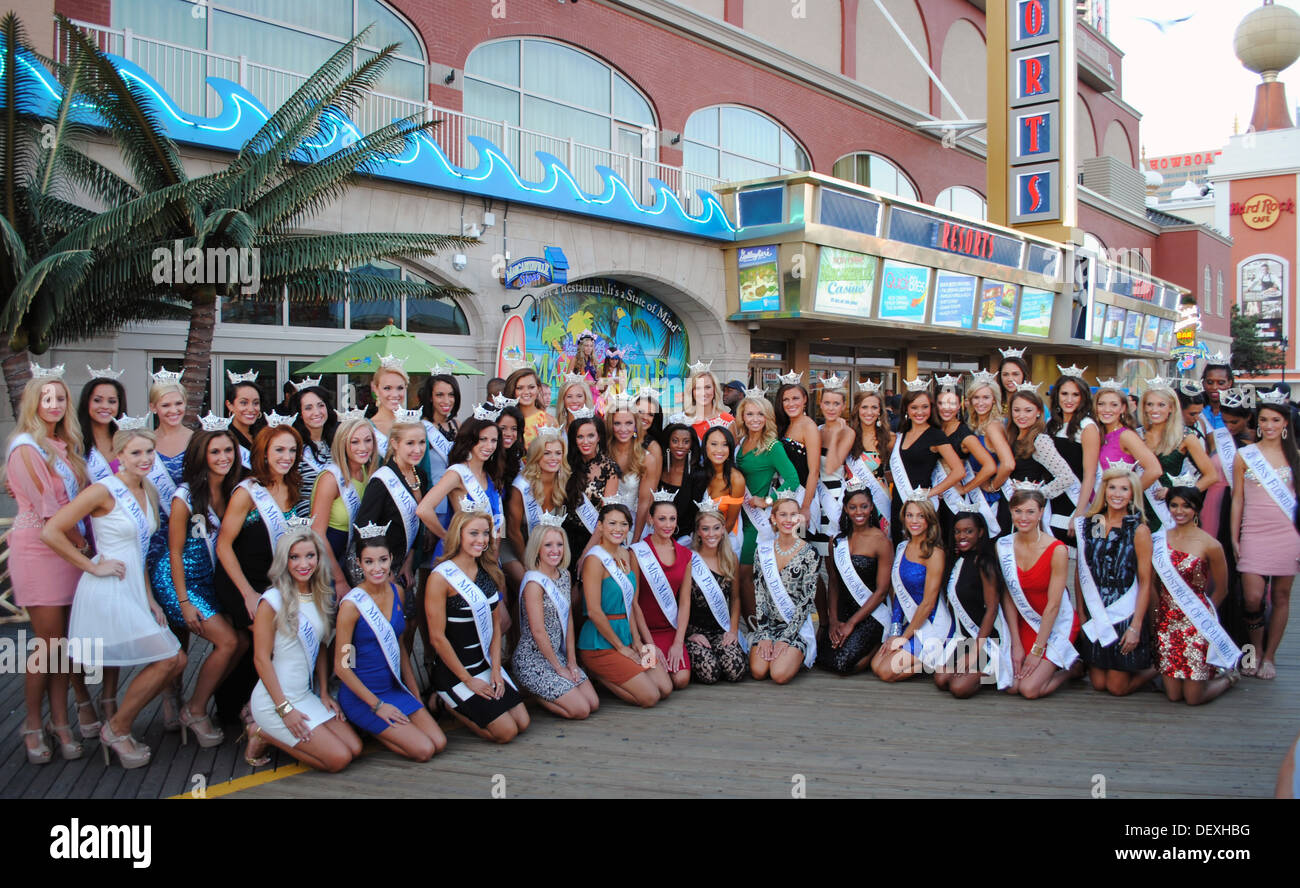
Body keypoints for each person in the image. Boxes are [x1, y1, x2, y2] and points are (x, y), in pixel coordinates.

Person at [44, 429, 185, 769]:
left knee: (176, 661)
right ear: (120, 456)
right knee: (169, 659)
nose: (145, 459)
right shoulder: (103, 490)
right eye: (136, 453)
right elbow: (51, 532)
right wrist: (92, 566)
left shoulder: (148, 489)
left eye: (149, 452)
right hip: (109, 588)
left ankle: (118, 723)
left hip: (135, 587)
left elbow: (139, 550)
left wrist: (151, 599)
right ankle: (117, 729)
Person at [6, 372, 95, 764]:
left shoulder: (63, 445)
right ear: (33, 404)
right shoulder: (26, 447)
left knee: (64, 646)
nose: (54, 405)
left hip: (66, 548)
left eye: (60, 398)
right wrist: (81, 542)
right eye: (46, 399)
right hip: (41, 548)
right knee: (48, 645)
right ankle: (31, 723)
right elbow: (47, 511)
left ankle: (61, 723)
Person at [150, 427, 245, 748]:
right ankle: (195, 710)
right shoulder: (186, 496)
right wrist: (184, 601)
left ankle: (193, 703)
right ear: (202, 456)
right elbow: (174, 552)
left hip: (209, 581)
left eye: (228, 451)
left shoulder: (234, 489)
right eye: (215, 452)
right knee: (229, 641)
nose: (223, 457)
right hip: (178, 581)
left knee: (242, 641)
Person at [213, 422, 302, 735]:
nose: (286, 456)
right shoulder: (247, 491)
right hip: (241, 582)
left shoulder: (293, 486)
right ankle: (245, 707)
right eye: (279, 449)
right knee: (274, 642)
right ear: (263, 453)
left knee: (278, 642)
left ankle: (258, 703)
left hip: (272, 582)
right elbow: (223, 545)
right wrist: (249, 594)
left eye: (292, 450)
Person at [248, 527, 362, 772]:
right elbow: (261, 659)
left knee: (355, 748)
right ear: (284, 560)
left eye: (310, 555)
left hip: (305, 694)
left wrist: (323, 693)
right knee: (338, 759)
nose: (304, 563)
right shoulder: (272, 601)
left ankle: (276, 730)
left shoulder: (319, 595)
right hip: (275, 700)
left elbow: (320, 647)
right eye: (294, 557)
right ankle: (262, 733)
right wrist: (285, 709)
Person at [335, 529, 445, 760]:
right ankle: (372, 727)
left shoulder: (399, 593)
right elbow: (342, 667)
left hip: (393, 689)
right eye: (369, 561)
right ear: (359, 563)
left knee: (439, 742)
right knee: (424, 750)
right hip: (362, 695)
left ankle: (386, 729)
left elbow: (400, 648)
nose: (377, 568)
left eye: (383, 560)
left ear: (391, 559)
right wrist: (377, 706)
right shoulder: (351, 606)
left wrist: (415, 696)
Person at [426, 509, 530, 742]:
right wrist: (467, 680)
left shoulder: (488, 569)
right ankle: (447, 702)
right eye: (474, 533)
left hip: (484, 664)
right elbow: (437, 638)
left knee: (523, 722)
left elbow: (495, 626)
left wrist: (495, 669)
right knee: (506, 732)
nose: (481, 540)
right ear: (458, 534)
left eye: (485, 534)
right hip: (455, 672)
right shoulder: (441, 577)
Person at [1230, 394, 1300, 680]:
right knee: (1253, 597)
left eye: (1275, 420)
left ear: (1285, 423)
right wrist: (1234, 537)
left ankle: (1269, 657)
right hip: (1253, 532)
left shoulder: (1295, 456)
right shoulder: (1245, 454)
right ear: (1257, 423)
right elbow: (1237, 499)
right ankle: (1254, 651)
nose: (1269, 425)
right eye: (1264, 420)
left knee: (1281, 596)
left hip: (1288, 534)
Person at [577, 502, 673, 706]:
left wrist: (637, 641)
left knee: (665, 687)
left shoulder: (626, 554)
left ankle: (624, 671)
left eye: (624, 524)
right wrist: (621, 648)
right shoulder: (594, 559)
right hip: (600, 642)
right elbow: (594, 611)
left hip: (627, 635)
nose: (618, 529)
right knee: (651, 697)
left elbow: (631, 603)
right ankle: (598, 673)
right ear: (600, 526)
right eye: (612, 523)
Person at [1154, 485, 1239, 705]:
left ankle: (1228, 678)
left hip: (1197, 622)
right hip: (1166, 622)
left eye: (1186, 506)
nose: (1179, 511)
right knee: (1173, 696)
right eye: (1174, 505)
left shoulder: (1211, 545)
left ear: (1197, 509)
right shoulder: (1159, 540)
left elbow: (1222, 589)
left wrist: (1206, 618)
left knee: (1193, 698)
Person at [1077, 467, 1158, 695]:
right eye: (1112, 487)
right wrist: (1083, 614)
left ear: (1133, 493)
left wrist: (1136, 626)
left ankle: (1158, 667)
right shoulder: (1096, 523)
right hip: (1097, 607)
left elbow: (1145, 581)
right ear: (1104, 490)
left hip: (1125, 609)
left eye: (1124, 488)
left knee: (1116, 688)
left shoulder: (1138, 529)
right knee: (1099, 684)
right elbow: (1083, 572)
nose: (1117, 493)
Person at [512, 518, 600, 718]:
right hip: (533, 658)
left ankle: (555, 689)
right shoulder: (534, 582)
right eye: (548, 545)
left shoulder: (565, 576)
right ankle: (534, 692)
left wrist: (571, 661)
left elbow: (567, 620)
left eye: (559, 545)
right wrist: (559, 668)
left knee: (593, 702)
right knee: (581, 710)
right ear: (537, 548)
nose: (555, 550)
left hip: (558, 655)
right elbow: (538, 631)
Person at [998, 487, 1078, 699]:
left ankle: (1073, 670)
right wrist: (1015, 643)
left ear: (1041, 512)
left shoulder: (1057, 550)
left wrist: (1037, 651)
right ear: (1011, 512)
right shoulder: (1004, 546)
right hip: (1025, 621)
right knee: (1012, 685)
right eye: (1018, 511)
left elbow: (1054, 605)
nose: (1024, 518)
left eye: (1030, 512)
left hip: (1055, 623)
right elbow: (1009, 597)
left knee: (1029, 689)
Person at [733, 392, 800, 617]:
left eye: (760, 414)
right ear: (742, 416)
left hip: (755, 520)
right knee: (738, 573)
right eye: (749, 413)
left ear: (767, 417)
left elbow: (792, 479)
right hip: (737, 517)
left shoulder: (772, 447)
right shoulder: (741, 442)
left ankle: (755, 624)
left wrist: (768, 501)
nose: (754, 418)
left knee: (744, 573)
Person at [872, 495, 950, 681]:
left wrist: (903, 638)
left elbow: (928, 603)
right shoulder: (901, 547)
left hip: (933, 624)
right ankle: (927, 657)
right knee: (876, 664)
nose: (914, 521)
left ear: (929, 520)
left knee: (885, 671)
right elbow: (897, 594)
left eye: (920, 516)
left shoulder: (935, 553)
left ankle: (937, 656)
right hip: (913, 621)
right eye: (910, 515)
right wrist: (895, 632)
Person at [817, 483, 891, 675]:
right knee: (822, 658)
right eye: (853, 507)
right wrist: (833, 620)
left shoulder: (881, 541)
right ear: (845, 509)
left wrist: (852, 624)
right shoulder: (837, 541)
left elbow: (882, 591)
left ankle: (876, 647)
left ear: (871, 507)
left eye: (864, 506)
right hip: (843, 611)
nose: (859, 512)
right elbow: (832, 583)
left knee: (842, 664)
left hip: (869, 613)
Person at [935, 511, 1009, 698]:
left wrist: (975, 651)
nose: (962, 537)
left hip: (986, 638)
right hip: (964, 637)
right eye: (958, 532)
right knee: (942, 679)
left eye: (969, 531)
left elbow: (991, 610)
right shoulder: (956, 561)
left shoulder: (985, 563)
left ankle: (993, 674)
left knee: (959, 688)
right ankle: (974, 672)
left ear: (981, 533)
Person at [749, 495, 819, 684]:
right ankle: (771, 647)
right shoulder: (762, 551)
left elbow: (806, 601)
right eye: (783, 515)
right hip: (769, 625)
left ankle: (796, 653)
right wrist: (764, 635)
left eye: (793, 515)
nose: (788, 520)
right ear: (774, 518)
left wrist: (785, 638)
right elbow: (760, 594)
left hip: (795, 626)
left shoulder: (810, 553)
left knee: (778, 674)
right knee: (758, 671)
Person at [887, 383, 964, 545]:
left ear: (931, 408)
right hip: (900, 502)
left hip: (922, 506)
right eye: (914, 407)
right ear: (906, 409)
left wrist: (932, 492)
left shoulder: (936, 435)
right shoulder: (902, 433)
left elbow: (959, 471)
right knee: (900, 549)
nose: (920, 412)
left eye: (925, 407)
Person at [417, 415, 501, 560]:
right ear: (470, 440)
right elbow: (423, 509)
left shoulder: (490, 475)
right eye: (483, 439)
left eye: (493, 440)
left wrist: (494, 554)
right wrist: (448, 536)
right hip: (460, 556)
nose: (489, 446)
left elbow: (498, 521)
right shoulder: (457, 473)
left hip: (486, 554)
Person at [310, 418, 377, 598]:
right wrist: (339, 579)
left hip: (353, 557)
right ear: (342, 444)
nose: (363, 447)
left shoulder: (366, 471)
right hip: (330, 559)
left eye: (367, 440)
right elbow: (317, 533)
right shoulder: (331, 479)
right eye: (354, 442)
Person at [632, 495, 693, 689]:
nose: (668, 524)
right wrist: (649, 644)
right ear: (650, 520)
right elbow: (633, 602)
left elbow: (685, 602)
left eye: (672, 519)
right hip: (644, 633)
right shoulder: (637, 552)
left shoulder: (685, 554)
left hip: (670, 631)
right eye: (662, 518)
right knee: (661, 685)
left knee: (681, 680)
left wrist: (678, 642)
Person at [998, 388, 1078, 536]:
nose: (1021, 415)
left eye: (1028, 410)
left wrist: (1037, 494)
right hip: (1008, 507)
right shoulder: (1012, 436)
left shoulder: (1040, 441)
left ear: (1038, 412)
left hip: (1026, 514)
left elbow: (1066, 477)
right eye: (1016, 410)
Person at [1138, 382, 1216, 531]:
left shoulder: (1185, 437)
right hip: (1139, 508)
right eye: (1150, 404)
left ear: (1172, 408)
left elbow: (1211, 476)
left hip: (1169, 511)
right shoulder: (1135, 435)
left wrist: (1179, 493)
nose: (1154, 410)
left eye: (1161, 405)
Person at [686, 496, 746, 683]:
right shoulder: (689, 560)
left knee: (735, 671)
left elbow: (736, 599)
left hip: (721, 630)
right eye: (705, 528)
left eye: (716, 528)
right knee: (710, 674)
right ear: (698, 532)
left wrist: (733, 631)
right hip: (695, 631)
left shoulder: (731, 559)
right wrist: (690, 634)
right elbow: (681, 603)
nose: (711, 534)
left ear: (723, 530)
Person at [934, 381, 997, 535]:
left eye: (952, 403)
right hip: (937, 496)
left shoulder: (964, 434)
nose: (946, 408)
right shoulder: (936, 428)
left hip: (954, 499)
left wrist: (965, 488)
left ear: (959, 404)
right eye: (941, 402)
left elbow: (990, 466)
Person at [561, 414, 621, 570]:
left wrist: (586, 553)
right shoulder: (566, 465)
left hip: (594, 537)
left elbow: (607, 515)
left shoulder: (610, 469)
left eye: (590, 436)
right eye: (580, 436)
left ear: (599, 437)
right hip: (565, 537)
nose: (585, 442)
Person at [506, 427, 569, 564]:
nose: (553, 458)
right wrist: (529, 564)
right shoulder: (521, 487)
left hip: (548, 550)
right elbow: (513, 531)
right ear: (536, 456)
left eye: (558, 453)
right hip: (516, 548)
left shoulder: (563, 482)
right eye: (547, 453)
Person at [965, 372, 1014, 533]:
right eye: (976, 397)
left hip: (989, 500)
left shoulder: (993, 426)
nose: (980, 402)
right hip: (976, 493)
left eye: (986, 397)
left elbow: (1008, 464)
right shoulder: (976, 424)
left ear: (994, 400)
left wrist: (992, 486)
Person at [775, 379, 822, 542]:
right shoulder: (785, 425)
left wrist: (806, 507)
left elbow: (814, 471)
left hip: (802, 497)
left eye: (795, 398)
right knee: (785, 546)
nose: (790, 403)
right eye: (785, 399)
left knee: (799, 546)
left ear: (805, 400)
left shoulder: (809, 427)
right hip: (786, 496)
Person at [845, 385, 893, 536]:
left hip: (880, 500)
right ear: (857, 410)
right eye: (864, 407)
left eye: (874, 407)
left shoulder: (889, 438)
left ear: (880, 411)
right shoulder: (848, 434)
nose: (869, 412)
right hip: (853, 502)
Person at [1093, 383, 1162, 487]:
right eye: (1101, 404)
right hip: (1096, 498)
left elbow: (1154, 470)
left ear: (1123, 408)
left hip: (1116, 500)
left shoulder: (1126, 435)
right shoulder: (1098, 433)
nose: (1106, 409)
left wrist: (1130, 495)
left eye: (1114, 405)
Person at [815, 379, 856, 550]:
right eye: (827, 403)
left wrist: (836, 434)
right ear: (821, 404)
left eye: (836, 403)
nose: (831, 408)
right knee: (815, 547)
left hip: (834, 496)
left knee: (831, 550)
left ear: (844, 406)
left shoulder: (847, 432)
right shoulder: (816, 429)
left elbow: (832, 466)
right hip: (814, 495)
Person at [290, 384, 337, 513]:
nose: (316, 412)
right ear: (300, 414)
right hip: (309, 516)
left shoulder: (334, 443)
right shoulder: (296, 448)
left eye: (320, 405)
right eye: (308, 408)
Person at [606, 399, 651, 536]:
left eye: (629, 423)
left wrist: (636, 541)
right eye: (617, 423)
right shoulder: (603, 453)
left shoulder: (647, 459)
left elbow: (644, 504)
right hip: (602, 527)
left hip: (632, 528)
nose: (623, 429)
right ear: (610, 426)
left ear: (636, 425)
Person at [692, 425, 744, 537]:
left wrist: (713, 544)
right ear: (705, 447)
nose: (719, 450)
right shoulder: (699, 472)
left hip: (727, 538)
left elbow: (730, 522)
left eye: (725, 445)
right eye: (714, 444)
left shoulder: (736, 479)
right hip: (700, 537)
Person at [78, 373, 126, 482]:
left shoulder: (127, 441)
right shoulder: (73, 442)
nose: (105, 406)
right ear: (87, 402)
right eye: (97, 400)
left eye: (112, 401)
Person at [658, 421, 702, 534]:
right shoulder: (659, 467)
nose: (680, 446)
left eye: (686, 442)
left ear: (691, 444)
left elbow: (696, 514)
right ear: (668, 442)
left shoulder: (698, 475)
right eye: (675, 441)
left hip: (685, 537)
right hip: (655, 532)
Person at [420, 371, 461, 480]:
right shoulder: (421, 427)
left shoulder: (457, 425)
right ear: (430, 397)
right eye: (440, 395)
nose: (446, 401)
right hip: (432, 489)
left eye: (451, 395)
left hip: (455, 489)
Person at [367, 358, 410, 459]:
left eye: (400, 388)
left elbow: (424, 471)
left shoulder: (414, 425)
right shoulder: (366, 428)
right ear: (376, 389)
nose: (395, 394)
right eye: (387, 388)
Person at [503, 367, 553, 447]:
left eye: (531, 387)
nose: (526, 392)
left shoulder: (549, 421)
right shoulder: (503, 419)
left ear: (538, 389)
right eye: (520, 388)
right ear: (513, 390)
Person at [684, 362, 734, 441]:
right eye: (698, 388)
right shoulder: (681, 420)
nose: (703, 392)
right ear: (691, 391)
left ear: (714, 390)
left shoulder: (728, 421)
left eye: (707, 387)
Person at [223, 375, 263, 455]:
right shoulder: (224, 437)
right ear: (230, 405)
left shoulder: (262, 435)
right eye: (244, 403)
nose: (251, 409)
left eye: (256, 403)